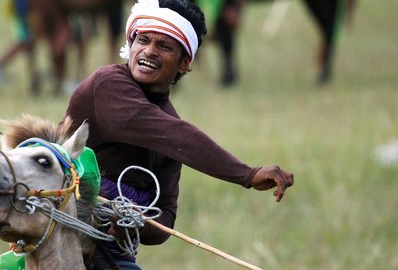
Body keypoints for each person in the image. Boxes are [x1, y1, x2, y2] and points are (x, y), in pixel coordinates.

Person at [62, 0, 294, 269]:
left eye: (164, 46)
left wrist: (131, 223)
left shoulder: (171, 131)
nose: (149, 50)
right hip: (59, 233)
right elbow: (174, 136)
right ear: (131, 45)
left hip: (112, 252)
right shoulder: (108, 84)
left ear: (184, 63)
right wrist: (247, 174)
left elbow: (165, 220)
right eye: (143, 40)